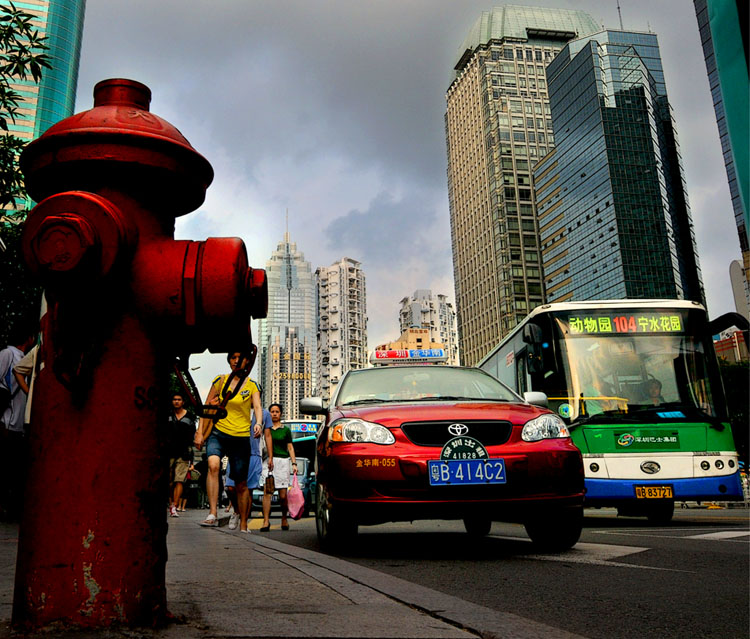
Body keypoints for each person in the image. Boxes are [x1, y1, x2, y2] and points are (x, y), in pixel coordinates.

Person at [194, 352, 263, 532]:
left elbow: (257, 407)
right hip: (218, 432)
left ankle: (243, 523)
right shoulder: (220, 380)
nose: (236, 360)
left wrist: (259, 424)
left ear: (247, 361)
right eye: (232, 357)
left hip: (240, 437)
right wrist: (200, 432)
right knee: (213, 465)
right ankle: (212, 513)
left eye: (240, 357)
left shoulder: (252, 385)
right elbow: (206, 407)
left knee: (241, 484)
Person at [0, 326, 35, 521]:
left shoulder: (24, 356)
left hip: (19, 423)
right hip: (7, 421)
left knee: (12, 468)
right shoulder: (7, 354)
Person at [225, 406, 272, 529]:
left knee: (248, 490)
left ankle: (244, 523)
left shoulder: (264, 413)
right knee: (230, 488)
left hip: (254, 454)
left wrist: (271, 457)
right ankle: (236, 511)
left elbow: (267, 436)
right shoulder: (236, 407)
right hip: (235, 453)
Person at [260, 403, 298, 532]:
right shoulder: (266, 428)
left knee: (283, 495)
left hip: (282, 462)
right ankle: (266, 521)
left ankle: (284, 518)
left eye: (277, 411)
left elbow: (290, 447)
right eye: (272, 411)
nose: (274, 413)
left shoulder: (285, 430)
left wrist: (294, 463)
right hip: (268, 463)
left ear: (280, 413)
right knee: (267, 492)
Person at [166, 392, 196, 518]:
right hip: (169, 451)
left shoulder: (190, 417)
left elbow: (193, 435)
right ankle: (170, 502)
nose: (176, 402)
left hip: (184, 452)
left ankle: (174, 505)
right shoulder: (168, 415)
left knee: (179, 480)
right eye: (174, 399)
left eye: (179, 399)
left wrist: (192, 459)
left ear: (183, 402)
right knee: (169, 480)